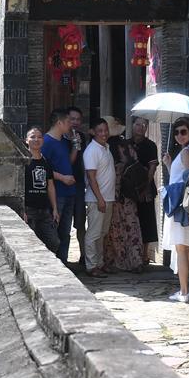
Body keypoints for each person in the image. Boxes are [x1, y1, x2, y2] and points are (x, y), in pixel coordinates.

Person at [160, 117, 189, 303]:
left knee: (181, 249)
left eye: (183, 131)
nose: (179, 135)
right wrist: (169, 165)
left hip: (180, 206)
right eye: (177, 132)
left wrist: (169, 189)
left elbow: (187, 180)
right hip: (184, 206)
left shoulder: (186, 152)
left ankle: (184, 291)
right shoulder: (187, 151)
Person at [103, 121, 145, 273]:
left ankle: (116, 260)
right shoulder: (129, 147)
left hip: (113, 194)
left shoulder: (108, 149)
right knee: (132, 227)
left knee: (114, 229)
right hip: (129, 193)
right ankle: (135, 260)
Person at [41, 108, 78, 264]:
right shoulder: (46, 142)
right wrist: (62, 178)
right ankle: (53, 262)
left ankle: (64, 261)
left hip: (69, 191)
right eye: (68, 121)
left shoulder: (64, 141)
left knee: (66, 230)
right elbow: (43, 169)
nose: (71, 124)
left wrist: (76, 146)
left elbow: (68, 162)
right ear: (59, 123)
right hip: (57, 192)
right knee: (54, 230)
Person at [82, 117, 116, 277]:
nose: (104, 133)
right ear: (93, 132)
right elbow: (91, 177)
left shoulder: (106, 147)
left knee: (102, 234)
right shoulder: (92, 150)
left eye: (106, 130)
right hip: (97, 199)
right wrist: (100, 199)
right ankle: (91, 266)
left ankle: (99, 263)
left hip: (107, 198)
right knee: (93, 234)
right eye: (100, 131)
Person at [23, 127, 61, 253]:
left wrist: (54, 208)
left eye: (39, 137)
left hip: (45, 210)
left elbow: (50, 186)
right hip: (29, 210)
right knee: (31, 244)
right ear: (26, 140)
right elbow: (19, 186)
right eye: (33, 137)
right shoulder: (23, 162)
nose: (36, 139)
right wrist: (22, 209)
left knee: (54, 242)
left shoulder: (46, 162)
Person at [131, 116, 159, 263]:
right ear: (132, 125)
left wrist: (144, 186)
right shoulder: (126, 144)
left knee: (146, 221)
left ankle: (143, 255)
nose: (140, 127)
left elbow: (152, 168)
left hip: (146, 188)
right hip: (129, 189)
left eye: (144, 125)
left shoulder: (151, 146)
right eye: (138, 124)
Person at [66, 106, 88, 270]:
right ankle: (62, 257)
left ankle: (84, 256)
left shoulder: (83, 138)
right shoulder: (60, 138)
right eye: (72, 119)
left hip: (79, 184)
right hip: (63, 185)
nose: (75, 122)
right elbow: (68, 163)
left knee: (81, 223)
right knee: (64, 224)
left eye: (78, 119)